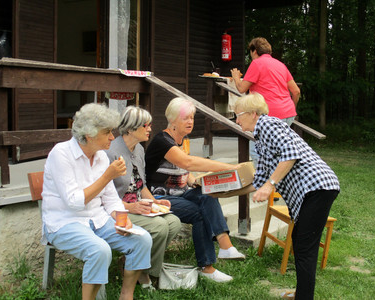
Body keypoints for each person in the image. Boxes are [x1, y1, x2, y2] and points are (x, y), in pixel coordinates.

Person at [233, 93, 340, 300]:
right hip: (312, 191)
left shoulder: (270, 124)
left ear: (253, 114)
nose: (236, 120)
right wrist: (223, 191)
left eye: (238, 115)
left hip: (317, 187)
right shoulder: (261, 138)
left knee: (304, 247)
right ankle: (302, 293)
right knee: (299, 240)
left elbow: (290, 154)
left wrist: (270, 185)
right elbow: (259, 180)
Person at [41, 103, 152, 300]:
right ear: (90, 135)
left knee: (142, 239)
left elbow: (110, 198)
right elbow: (74, 202)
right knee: (99, 250)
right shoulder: (61, 154)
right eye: (107, 132)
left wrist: (120, 218)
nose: (112, 136)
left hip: (97, 219)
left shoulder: (100, 155)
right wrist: (107, 176)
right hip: (64, 222)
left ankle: (126, 296)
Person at [144, 97, 246, 283]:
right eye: (185, 118)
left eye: (192, 117)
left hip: (181, 192)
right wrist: (228, 167)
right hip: (158, 197)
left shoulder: (181, 140)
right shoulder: (162, 140)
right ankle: (207, 267)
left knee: (207, 195)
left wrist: (193, 181)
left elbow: (182, 169)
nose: (190, 121)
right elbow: (187, 162)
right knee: (199, 213)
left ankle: (224, 246)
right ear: (173, 120)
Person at [106, 106, 182, 290]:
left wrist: (155, 202)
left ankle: (138, 266)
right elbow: (105, 196)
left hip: (138, 205)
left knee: (174, 222)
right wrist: (130, 207)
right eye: (145, 125)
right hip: (118, 210)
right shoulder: (111, 152)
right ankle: (147, 274)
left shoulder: (139, 149)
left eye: (150, 125)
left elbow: (142, 185)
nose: (150, 129)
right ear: (131, 128)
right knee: (160, 227)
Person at [230, 37, 301, 166]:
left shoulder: (256, 63)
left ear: (255, 51)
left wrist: (236, 78)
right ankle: (279, 181)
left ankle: (267, 182)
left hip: (268, 115)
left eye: (251, 53)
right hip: (288, 114)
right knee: (278, 151)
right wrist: (292, 108)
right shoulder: (281, 65)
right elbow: (296, 91)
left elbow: (241, 88)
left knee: (257, 151)